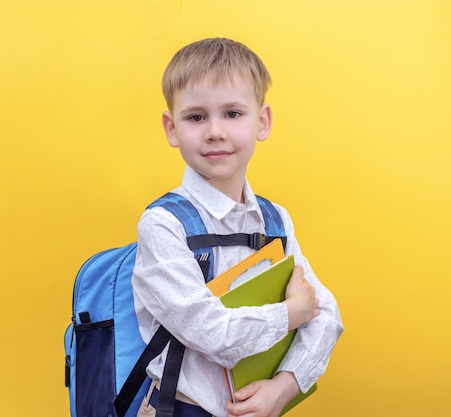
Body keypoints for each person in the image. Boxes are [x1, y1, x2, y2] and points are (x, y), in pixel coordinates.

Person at [131, 38, 344, 417]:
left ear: (262, 121)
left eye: (233, 113)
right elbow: (212, 333)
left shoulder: (275, 220)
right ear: (172, 128)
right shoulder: (163, 225)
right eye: (196, 117)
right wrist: (290, 314)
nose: (215, 131)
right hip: (182, 410)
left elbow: (326, 314)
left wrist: (284, 386)